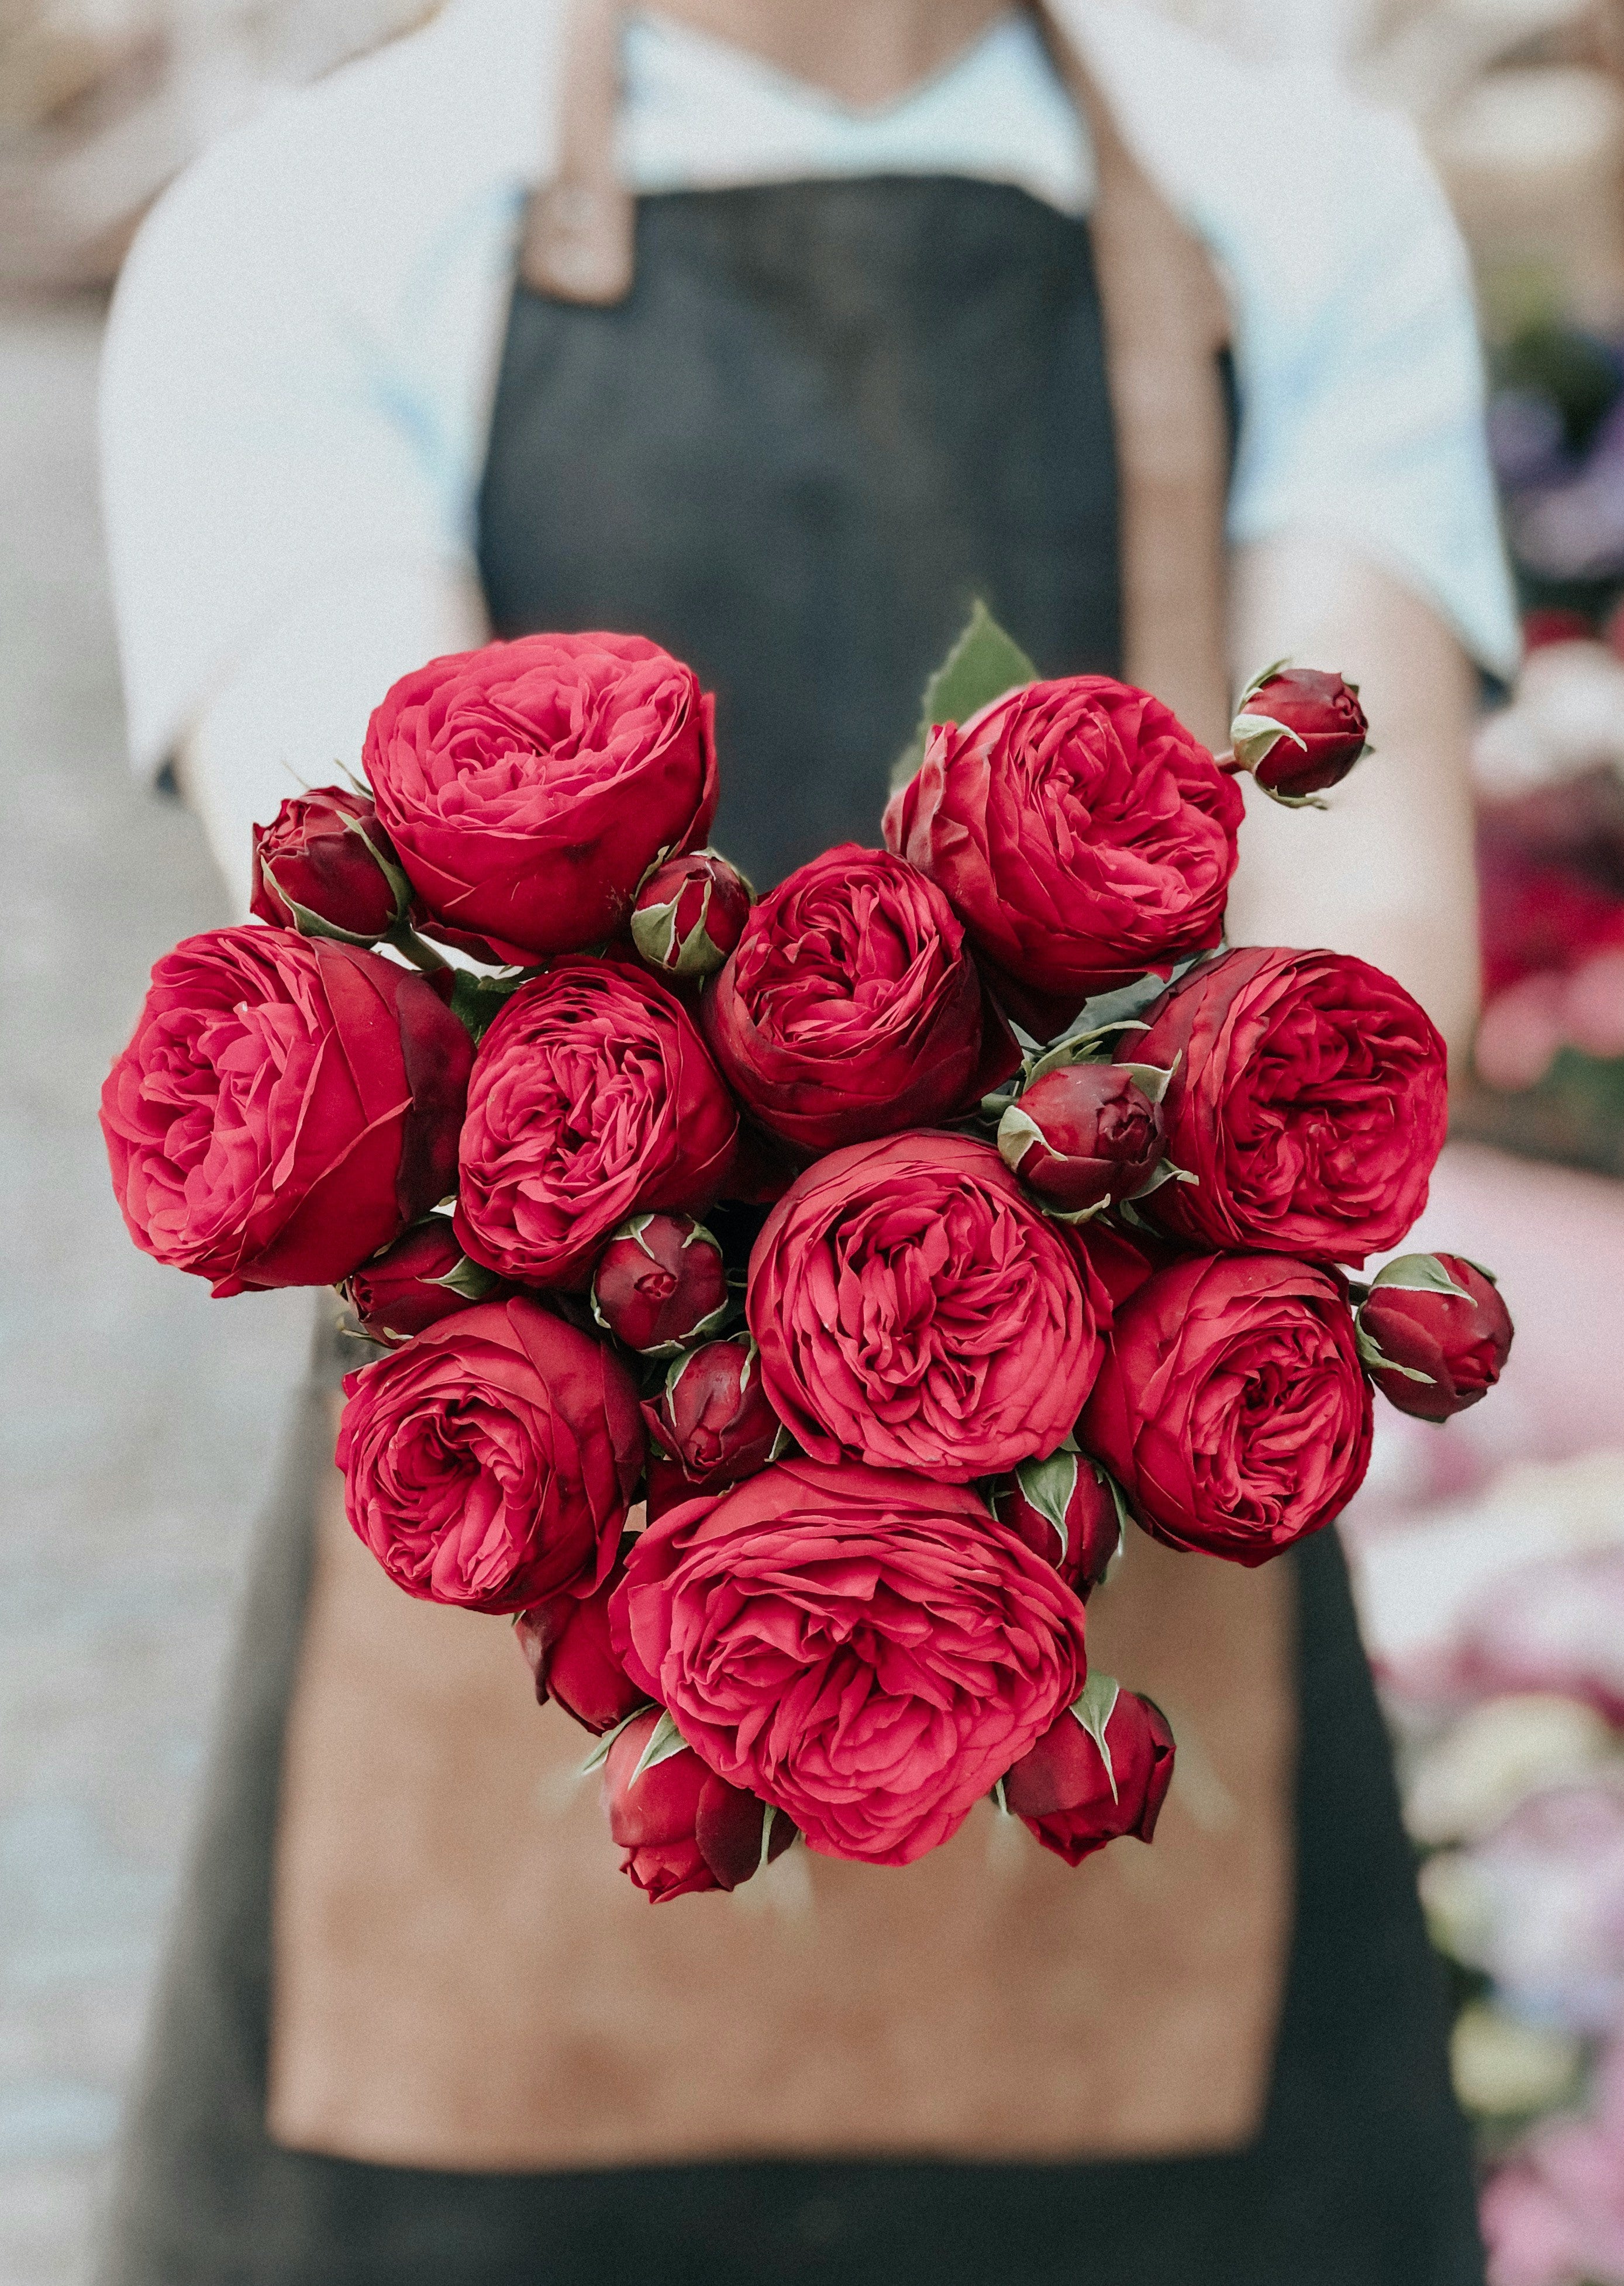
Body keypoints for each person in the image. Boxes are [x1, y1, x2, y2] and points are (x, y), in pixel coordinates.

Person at [95, 4, 1518, 2281]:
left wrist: (962, 1307)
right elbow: (403, 996)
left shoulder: (1296, 203)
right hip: (527, 1562)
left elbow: (1370, 973)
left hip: (1122, 1557)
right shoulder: (317, 226)